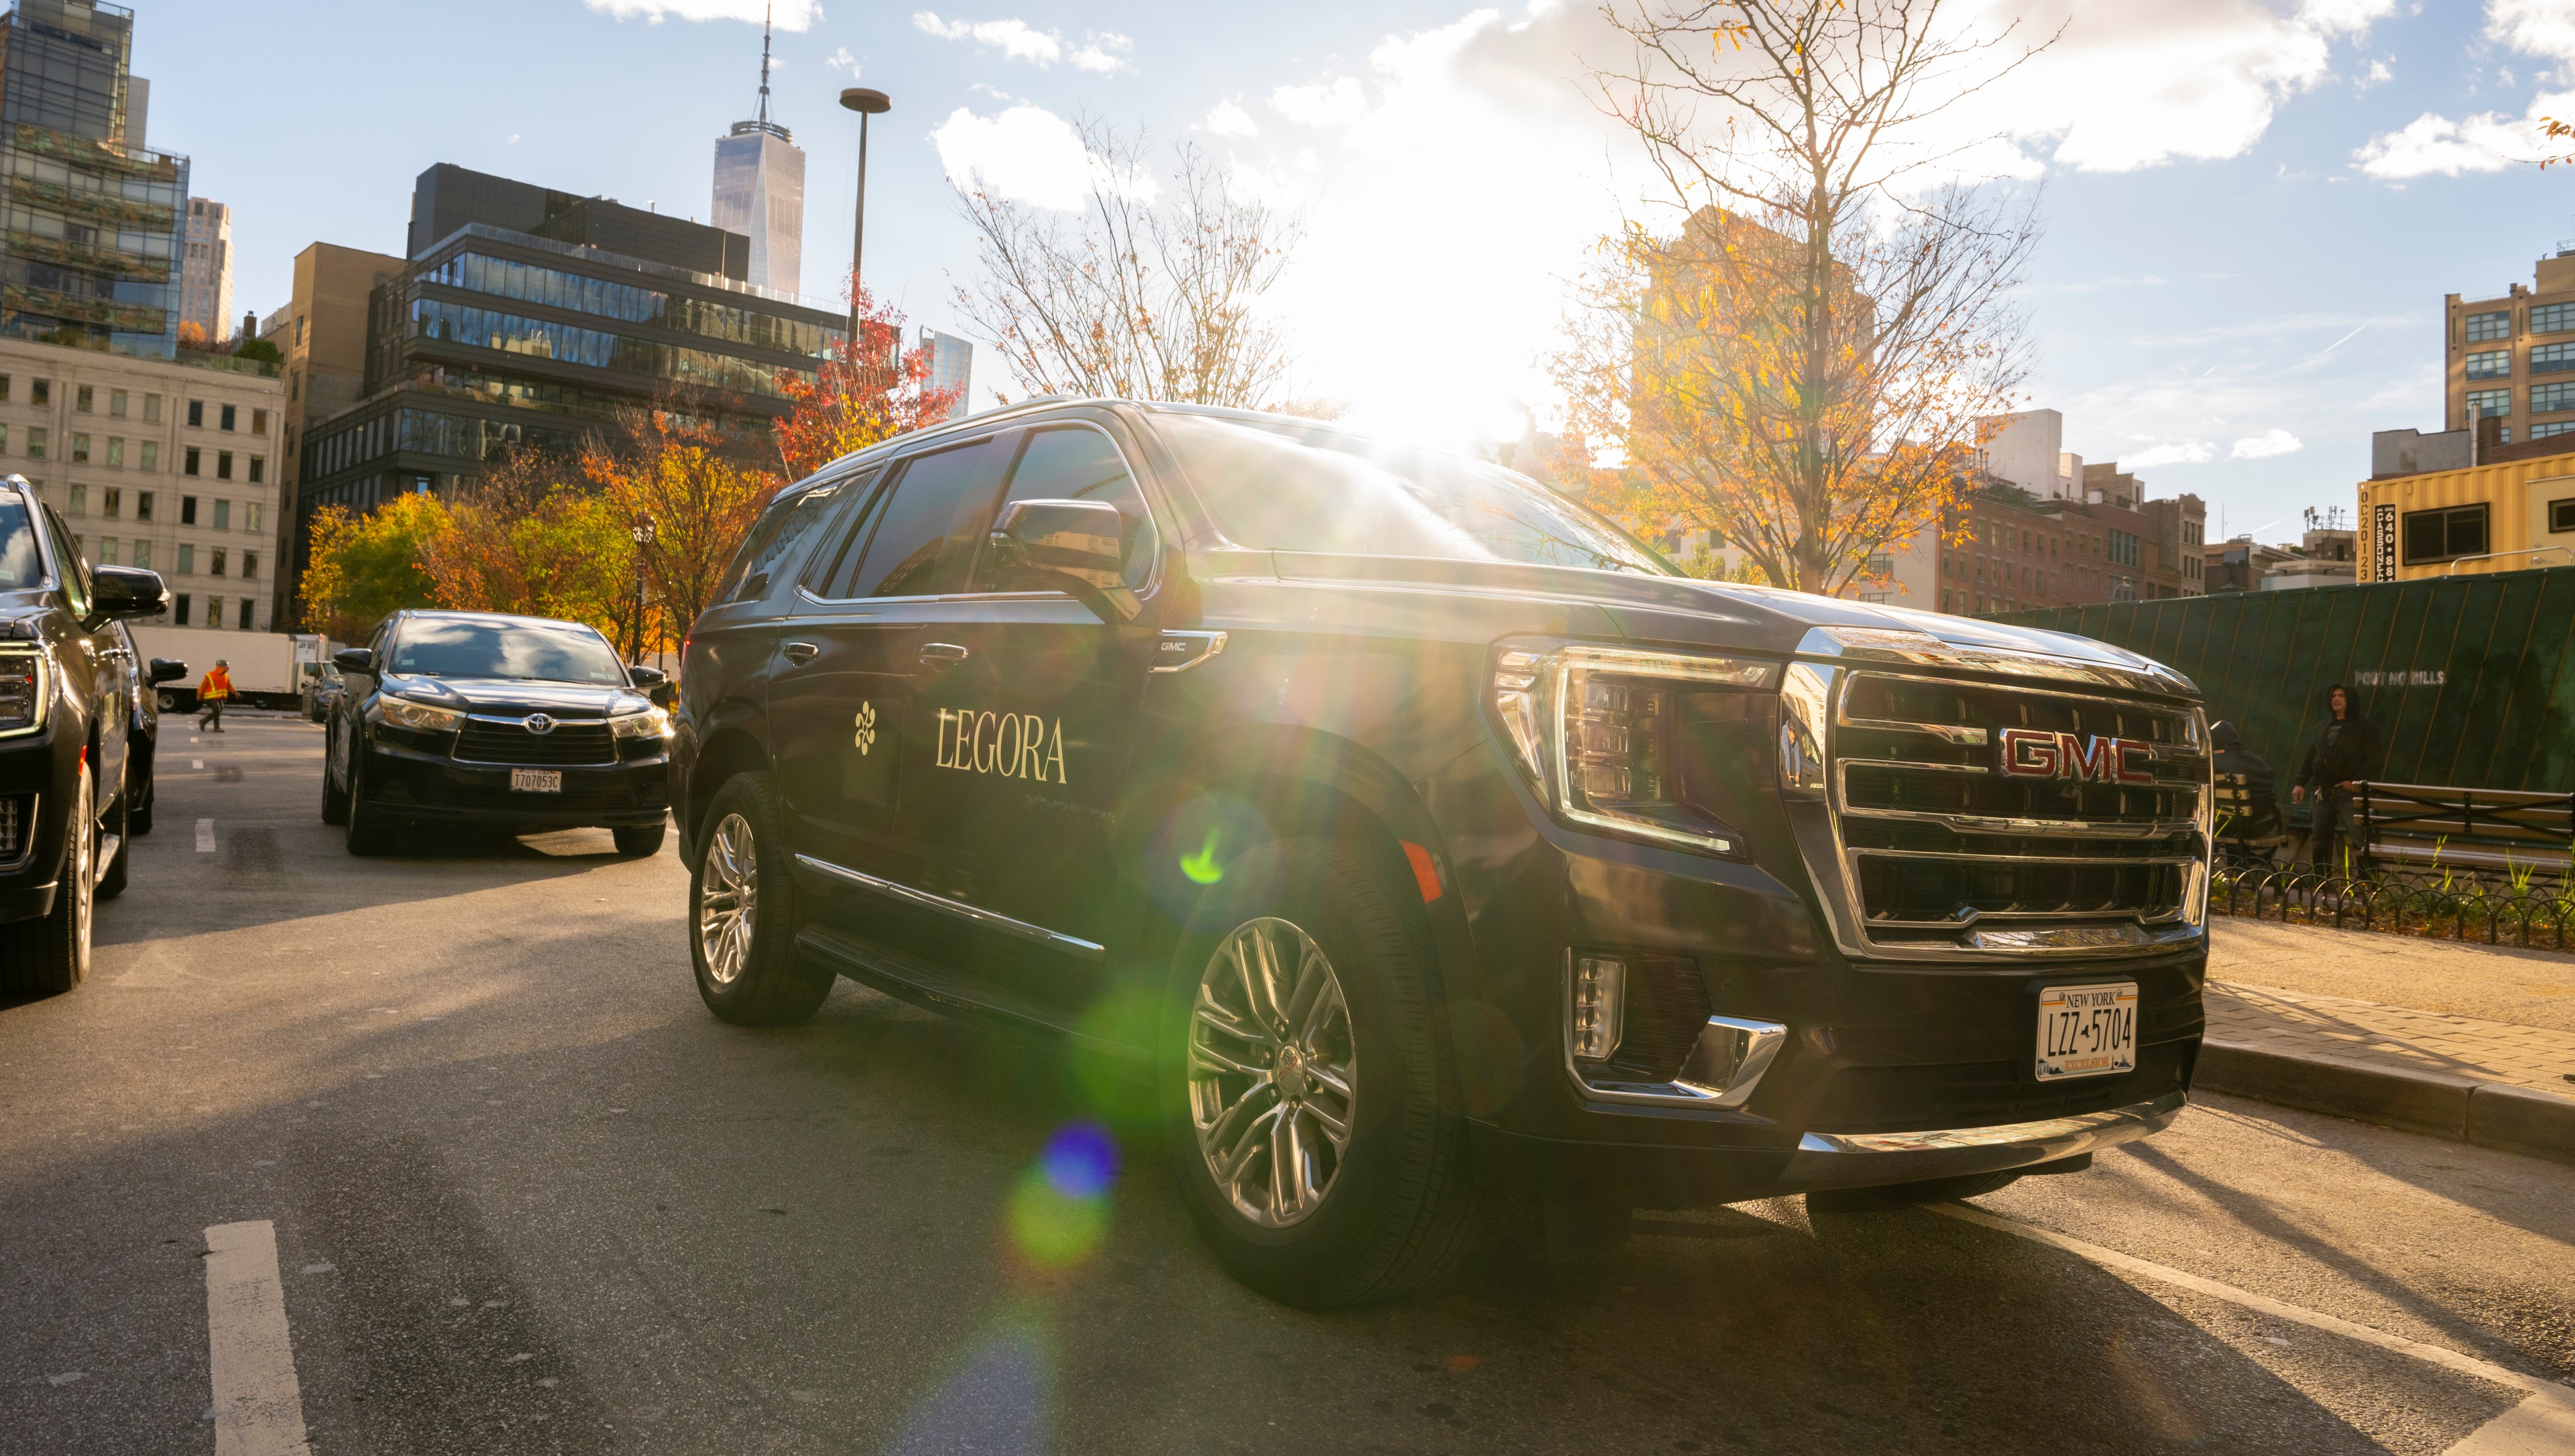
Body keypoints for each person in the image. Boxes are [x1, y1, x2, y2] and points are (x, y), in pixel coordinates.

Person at [2291, 684, 2383, 874]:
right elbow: (2310, 755)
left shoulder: (2364, 728)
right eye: (2333, 695)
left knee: (2361, 840)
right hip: (2321, 792)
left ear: (2351, 700)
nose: (2336, 699)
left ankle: (2368, 884)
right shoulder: (2322, 726)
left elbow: (2375, 759)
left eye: (2341, 695)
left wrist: (2355, 781)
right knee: (2320, 842)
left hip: (2348, 794)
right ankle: (2320, 883)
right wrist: (2300, 782)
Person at [2210, 719, 2283, 857]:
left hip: (2233, 828)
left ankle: (2209, 862)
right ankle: (2238, 864)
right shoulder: (2258, 760)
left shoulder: (2215, 762)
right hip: (2264, 824)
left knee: (2220, 818)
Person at [198, 659, 233, 733]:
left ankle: (203, 721)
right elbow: (203, 686)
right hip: (210, 697)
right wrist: (199, 695)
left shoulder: (226, 676)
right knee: (217, 709)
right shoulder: (210, 675)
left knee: (218, 711)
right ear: (221, 668)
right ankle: (216, 728)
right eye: (226, 667)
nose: (227, 669)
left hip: (220, 697)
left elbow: (229, 686)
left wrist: (235, 692)